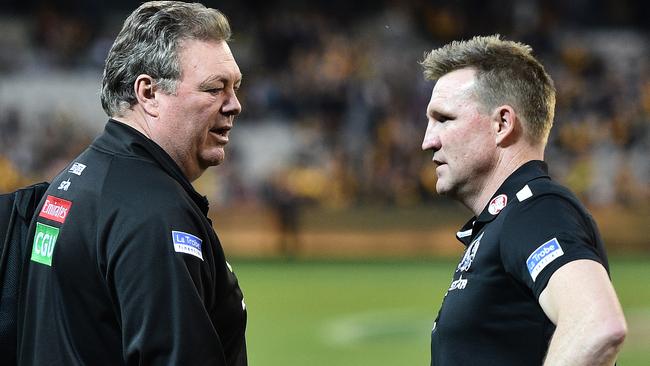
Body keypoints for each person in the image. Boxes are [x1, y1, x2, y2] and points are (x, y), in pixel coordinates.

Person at [17, 2, 247, 365]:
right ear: (148, 93)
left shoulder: (77, 180)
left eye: (235, 87)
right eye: (215, 88)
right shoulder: (153, 211)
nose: (234, 105)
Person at [420, 35, 627, 365]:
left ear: (502, 123)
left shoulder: (534, 209)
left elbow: (598, 326)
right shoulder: (506, 219)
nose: (427, 141)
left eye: (444, 119)